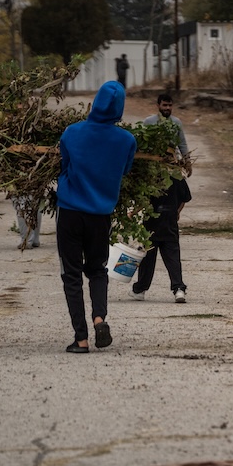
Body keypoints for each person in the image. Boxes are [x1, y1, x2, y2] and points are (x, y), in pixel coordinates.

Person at [56, 80, 136, 354]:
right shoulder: (127, 140)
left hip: (69, 211)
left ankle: (81, 339)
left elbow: (64, 164)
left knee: (71, 274)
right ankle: (99, 319)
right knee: (97, 270)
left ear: (96, 103)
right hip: (100, 215)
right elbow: (125, 171)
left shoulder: (72, 132)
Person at [128, 176, 192, 303]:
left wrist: (132, 213)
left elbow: (144, 202)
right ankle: (178, 288)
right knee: (173, 258)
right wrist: (176, 212)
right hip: (170, 223)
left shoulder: (151, 178)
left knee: (148, 259)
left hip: (152, 224)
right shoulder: (178, 178)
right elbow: (184, 199)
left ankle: (140, 289)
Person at [143, 93, 191, 173]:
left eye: (170, 105)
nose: (167, 108)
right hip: (153, 162)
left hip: (172, 161)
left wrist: (187, 161)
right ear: (158, 105)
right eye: (164, 105)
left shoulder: (176, 122)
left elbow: (182, 144)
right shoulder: (149, 121)